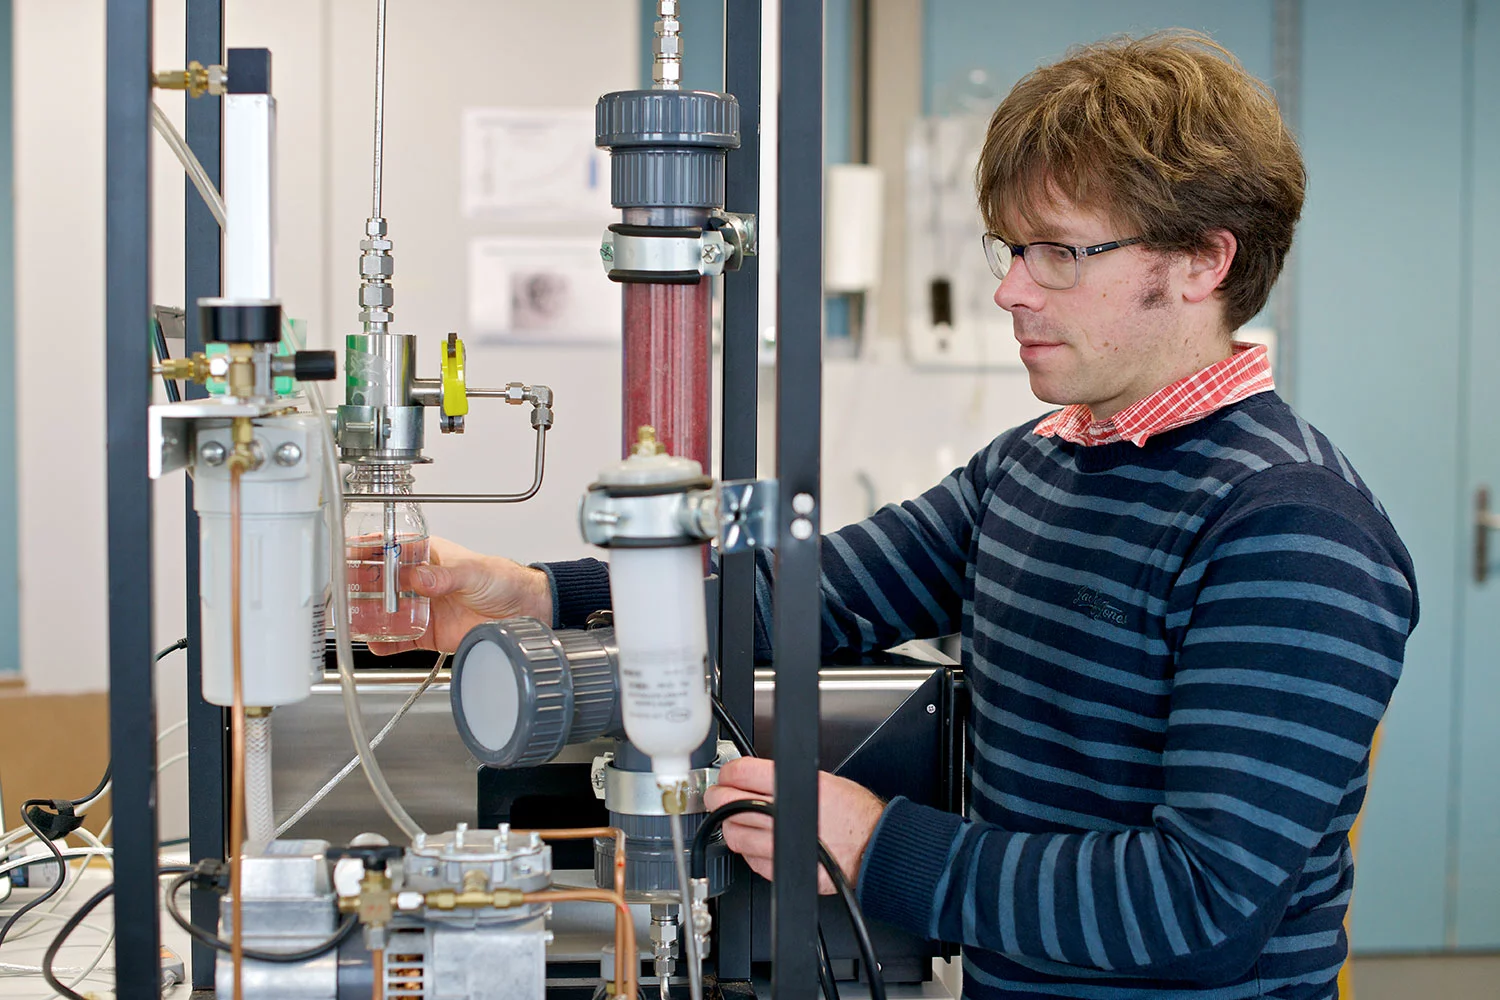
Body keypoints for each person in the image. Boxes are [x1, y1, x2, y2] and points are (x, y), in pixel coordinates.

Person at [373, 31, 1416, 1000]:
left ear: (1203, 261)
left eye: (1059, 251)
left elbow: (1199, 907)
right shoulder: (1038, 465)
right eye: (1007, 248)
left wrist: (878, 847)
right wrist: (540, 592)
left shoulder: (1289, 528)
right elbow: (796, 595)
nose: (1011, 290)